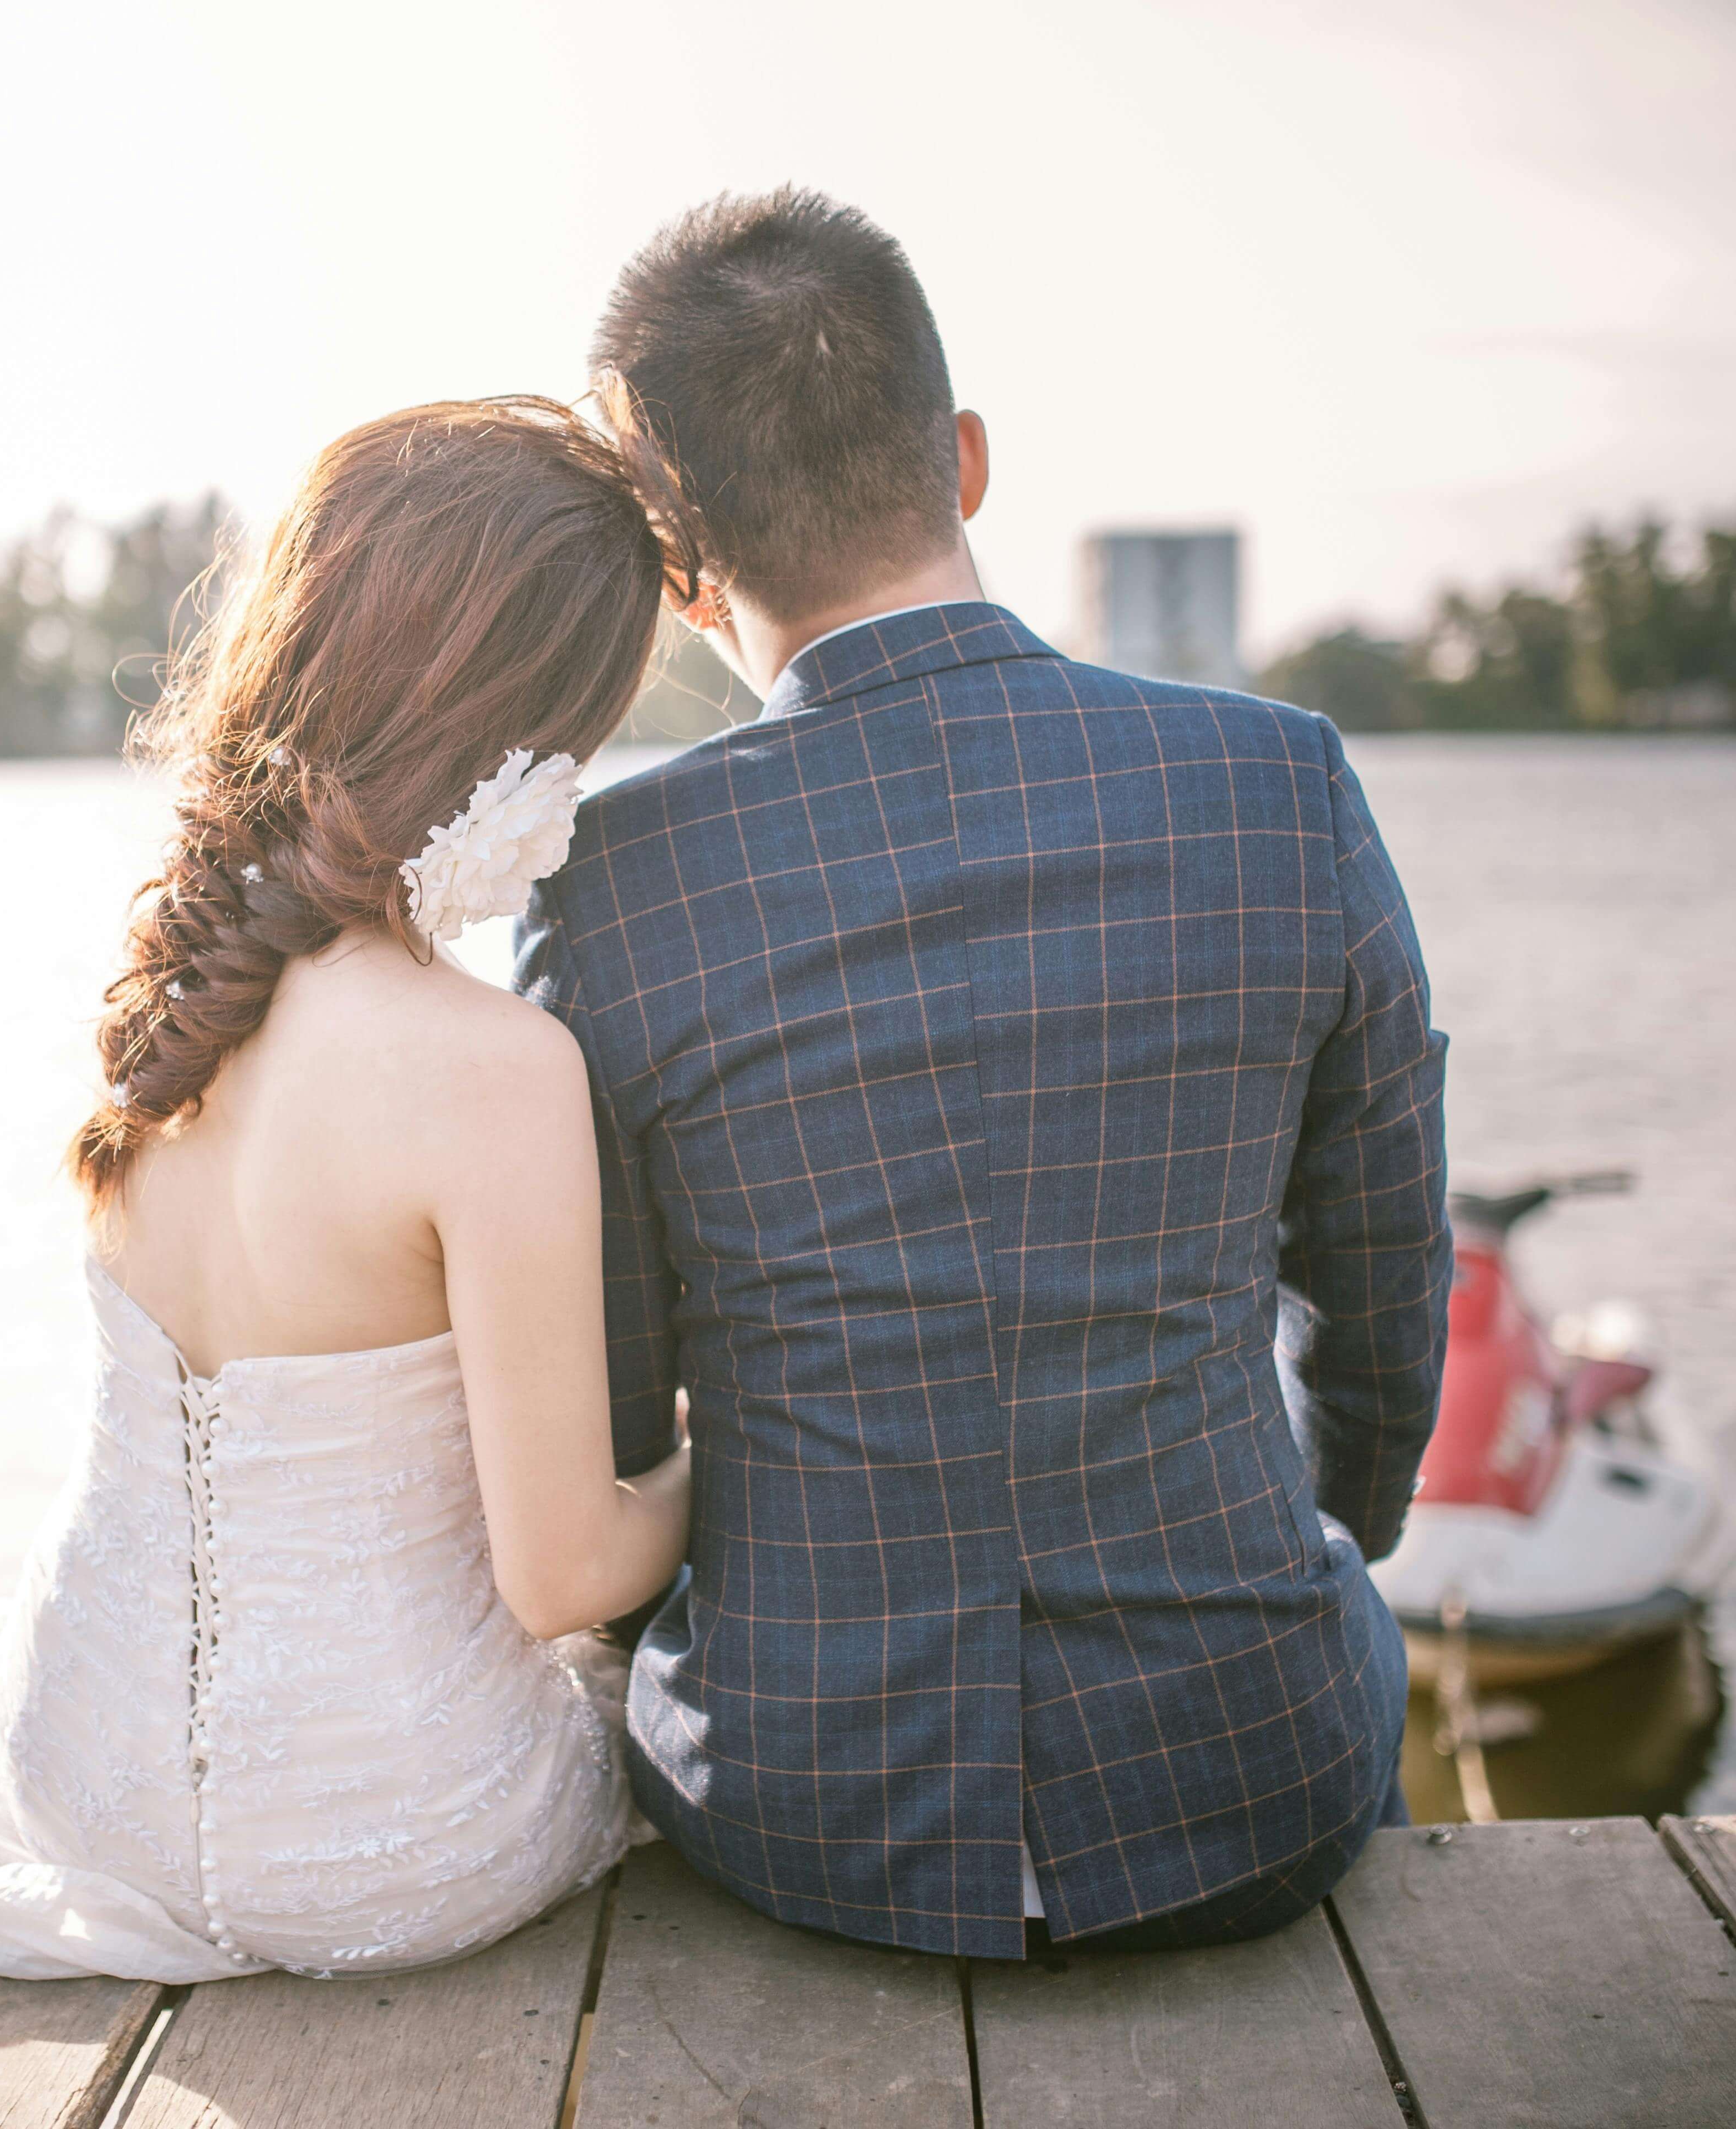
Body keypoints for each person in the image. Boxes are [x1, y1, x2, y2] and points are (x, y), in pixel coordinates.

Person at [513, 188, 1452, 1958]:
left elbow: (625, 1413)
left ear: (684, 565)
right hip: (1249, 1780)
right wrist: (1324, 1537)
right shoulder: (1283, 786)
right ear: (964, 459)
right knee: (1342, 1631)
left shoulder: (612, 888)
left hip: (807, 1817)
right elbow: (1388, 1276)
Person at [0, 399, 698, 1982]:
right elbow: (562, 1575)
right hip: (406, 1832)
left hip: (77, 1775)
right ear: (529, 737)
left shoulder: (180, 1012)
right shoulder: (496, 1068)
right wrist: (725, 1461)